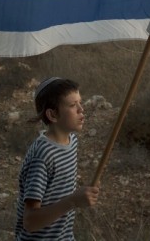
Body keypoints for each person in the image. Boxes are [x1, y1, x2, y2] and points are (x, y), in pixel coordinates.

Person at [15, 77, 100, 240]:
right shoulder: (42, 155)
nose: (81, 109)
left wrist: (84, 192)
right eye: (72, 105)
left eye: (80, 102)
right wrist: (74, 201)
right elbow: (30, 222)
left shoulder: (72, 141)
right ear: (52, 114)